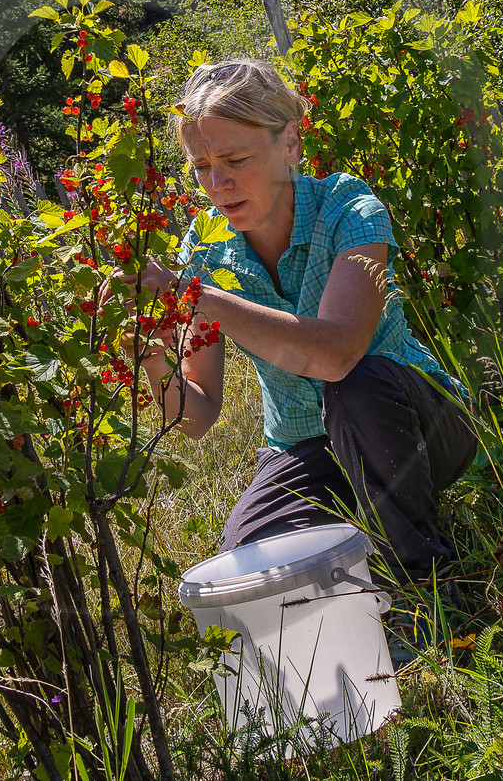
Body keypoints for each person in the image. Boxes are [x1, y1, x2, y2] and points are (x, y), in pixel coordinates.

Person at [115, 58, 479, 585]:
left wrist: (197, 296)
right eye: (201, 166)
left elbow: (338, 354)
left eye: (235, 159)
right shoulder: (206, 247)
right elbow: (197, 416)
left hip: (418, 426)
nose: (218, 183)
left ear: (289, 143)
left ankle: (424, 581)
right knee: (247, 567)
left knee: (356, 383)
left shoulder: (349, 209)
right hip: (307, 447)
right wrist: (152, 359)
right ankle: (360, 551)